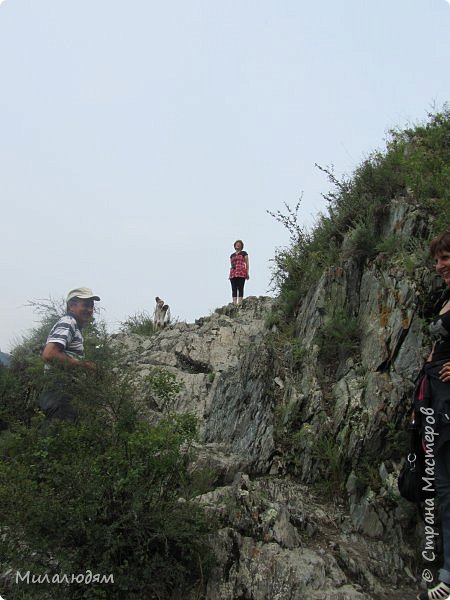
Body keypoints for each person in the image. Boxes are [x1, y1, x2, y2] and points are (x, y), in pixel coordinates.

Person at [416, 231, 450, 600]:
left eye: (446, 258)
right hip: (437, 407)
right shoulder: (445, 297)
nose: (440, 265)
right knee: (443, 490)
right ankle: (446, 575)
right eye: (437, 259)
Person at [38, 287, 100, 423]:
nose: (89, 310)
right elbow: (49, 354)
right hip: (59, 389)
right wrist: (84, 365)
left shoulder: (74, 325)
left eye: (91, 306)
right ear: (72, 306)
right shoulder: (68, 322)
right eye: (85, 305)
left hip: (61, 389)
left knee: (59, 434)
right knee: (60, 433)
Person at [229, 239, 249, 305]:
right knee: (234, 288)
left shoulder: (244, 253)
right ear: (234, 246)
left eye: (239, 244)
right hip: (233, 273)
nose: (238, 245)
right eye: (236, 244)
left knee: (240, 287)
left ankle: (240, 303)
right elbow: (231, 264)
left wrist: (247, 272)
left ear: (241, 246)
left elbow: (247, 263)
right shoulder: (232, 255)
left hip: (241, 272)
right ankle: (235, 304)